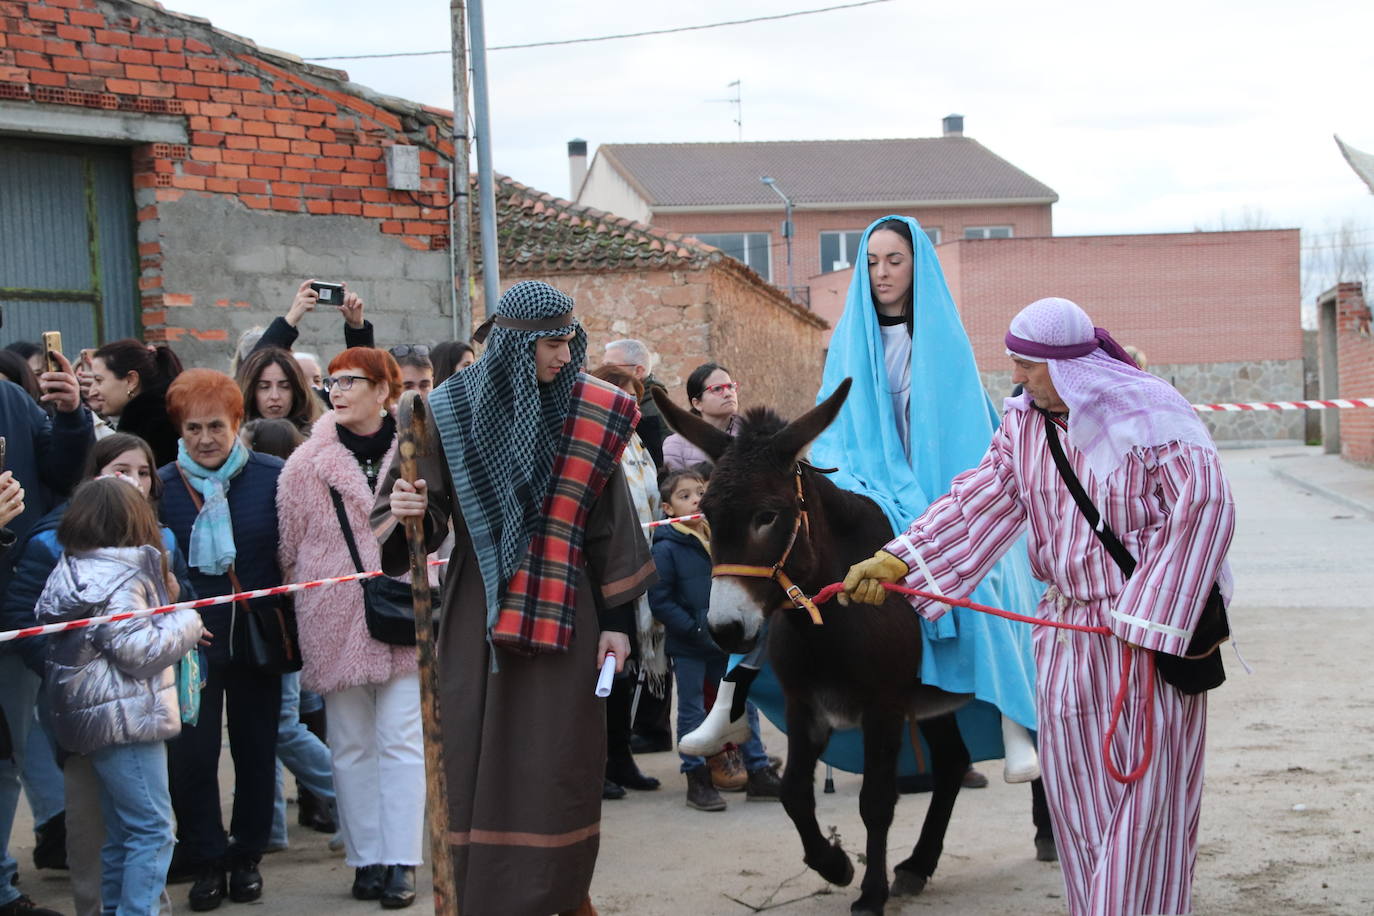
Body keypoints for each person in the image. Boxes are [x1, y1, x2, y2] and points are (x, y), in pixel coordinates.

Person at [842, 295, 1234, 916]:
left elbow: (1205, 510)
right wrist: (903, 558)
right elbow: (982, 498)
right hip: (1065, 632)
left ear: (1068, 364)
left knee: (1146, 804)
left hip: (1146, 641)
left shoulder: (1155, 418)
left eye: (1027, 363)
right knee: (1078, 806)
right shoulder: (1022, 425)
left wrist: (1149, 617)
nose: (1016, 376)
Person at [681, 217, 1043, 796]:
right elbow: (839, 421)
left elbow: (964, 428)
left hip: (936, 482)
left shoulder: (943, 339)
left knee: (988, 572)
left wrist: (936, 491)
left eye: (894, 260)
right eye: (871, 262)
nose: (881, 273)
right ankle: (732, 697)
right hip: (867, 476)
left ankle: (1015, 716)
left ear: (917, 265)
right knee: (783, 563)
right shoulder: (851, 335)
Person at [375, 280, 657, 916]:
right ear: (514, 344)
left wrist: (618, 625)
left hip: (572, 611)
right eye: (553, 344)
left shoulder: (595, 409)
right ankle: (473, 896)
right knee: (472, 749)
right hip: (476, 609)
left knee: (559, 758)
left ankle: (558, 894)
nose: (566, 355)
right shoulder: (441, 411)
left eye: (570, 340)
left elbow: (612, 525)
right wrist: (411, 508)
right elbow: (418, 517)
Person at [5, 433, 194, 916]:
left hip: (88, 716)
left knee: (121, 832)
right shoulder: (124, 574)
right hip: (126, 716)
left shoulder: (72, 566)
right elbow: (137, 650)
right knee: (153, 829)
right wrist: (185, 619)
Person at [277, 347, 423, 908]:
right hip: (334, 619)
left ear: (384, 390)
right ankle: (366, 859)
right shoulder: (304, 463)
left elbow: (446, 533)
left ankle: (403, 860)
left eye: (351, 381)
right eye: (332, 381)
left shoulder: (418, 452)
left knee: (403, 741)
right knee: (350, 746)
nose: (336, 390)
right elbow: (289, 550)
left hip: (406, 611)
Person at [157, 369, 286, 911]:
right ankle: (207, 855)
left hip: (257, 637)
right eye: (192, 428)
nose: (205, 438)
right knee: (192, 755)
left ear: (238, 423)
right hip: (193, 645)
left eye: (215, 426)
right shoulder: (161, 486)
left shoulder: (273, 476)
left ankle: (246, 855)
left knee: (258, 751)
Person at [0, 349, 90, 916]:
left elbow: (59, 475)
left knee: (7, 753)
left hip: (9, 606)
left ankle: (2, 884)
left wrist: (72, 415)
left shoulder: (10, 399)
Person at [234, 419, 339, 847]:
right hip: (283, 621)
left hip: (281, 623)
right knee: (277, 727)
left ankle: (348, 794)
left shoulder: (279, 486)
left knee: (283, 725)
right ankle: (273, 831)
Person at [588, 365, 664, 800]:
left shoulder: (634, 444)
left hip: (638, 566)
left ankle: (620, 755)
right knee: (603, 672)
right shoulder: (595, 441)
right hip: (601, 572)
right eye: (623, 397)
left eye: (636, 399)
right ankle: (595, 762)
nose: (632, 407)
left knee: (626, 671)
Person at [90, 339, 184, 467]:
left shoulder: (152, 428)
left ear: (131, 380)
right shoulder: (166, 412)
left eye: (99, 380)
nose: (92, 392)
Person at [251, 279, 375, 356]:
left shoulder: (327, 395)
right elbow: (253, 372)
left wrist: (357, 327)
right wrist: (291, 318)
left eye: (316, 378)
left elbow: (366, 376)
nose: (274, 396)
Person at [661, 363, 740, 471]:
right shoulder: (676, 446)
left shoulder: (754, 434)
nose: (728, 394)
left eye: (730, 386)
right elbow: (674, 485)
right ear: (697, 404)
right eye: (717, 389)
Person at [602, 339, 669, 466]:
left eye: (610, 367)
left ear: (638, 371)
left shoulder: (653, 413)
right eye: (603, 366)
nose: (604, 372)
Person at [235, 347, 322, 435]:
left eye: (285, 386)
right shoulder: (232, 442)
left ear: (296, 391)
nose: (275, 396)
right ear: (251, 392)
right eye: (264, 387)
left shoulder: (319, 437)